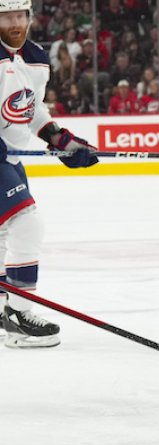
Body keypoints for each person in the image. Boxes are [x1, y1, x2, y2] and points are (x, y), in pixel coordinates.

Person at [0, 0, 98, 348]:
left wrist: (60, 138)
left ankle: (3, 309)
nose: (15, 22)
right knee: (27, 221)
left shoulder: (38, 58)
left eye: (19, 15)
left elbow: (32, 108)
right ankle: (18, 315)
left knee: (3, 232)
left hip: (9, 156)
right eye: (6, 15)